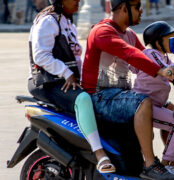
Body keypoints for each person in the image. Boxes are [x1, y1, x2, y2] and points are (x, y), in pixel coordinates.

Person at [81, 0, 174, 179]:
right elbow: (129, 53)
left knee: (170, 108)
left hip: (119, 96)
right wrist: (160, 70)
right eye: (137, 7)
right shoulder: (102, 31)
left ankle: (172, 163)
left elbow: (148, 57)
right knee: (143, 101)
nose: (141, 11)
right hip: (100, 97)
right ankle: (150, 165)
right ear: (124, 8)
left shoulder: (130, 35)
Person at [27, 0, 116, 174]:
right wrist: (66, 72)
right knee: (82, 99)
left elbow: (75, 58)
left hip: (65, 79)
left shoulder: (66, 21)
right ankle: (99, 154)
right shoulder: (48, 21)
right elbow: (40, 56)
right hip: (46, 82)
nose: (78, 1)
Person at [131, 21, 174, 177]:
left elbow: (171, 69)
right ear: (157, 41)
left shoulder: (163, 57)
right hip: (143, 105)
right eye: (169, 38)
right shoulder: (151, 53)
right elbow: (168, 71)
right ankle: (167, 164)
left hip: (156, 104)